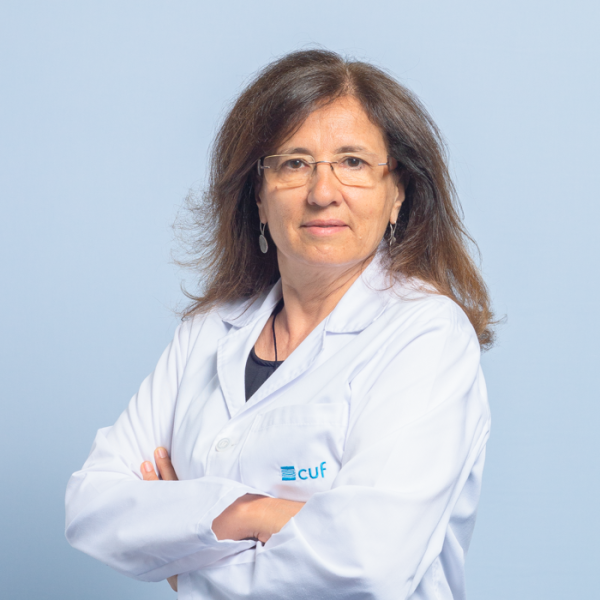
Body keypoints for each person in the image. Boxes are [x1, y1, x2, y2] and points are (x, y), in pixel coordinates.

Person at [65, 49, 494, 599]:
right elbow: (91, 508)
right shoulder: (210, 330)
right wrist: (253, 513)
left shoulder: (426, 334)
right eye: (294, 163)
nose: (322, 192)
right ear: (259, 197)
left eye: (353, 163)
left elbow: (368, 563)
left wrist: (182, 555)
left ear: (399, 194)